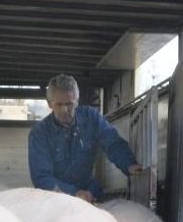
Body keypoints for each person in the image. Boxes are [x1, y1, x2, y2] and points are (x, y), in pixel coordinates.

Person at [28, 73, 141, 203]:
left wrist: (129, 165)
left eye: (69, 104)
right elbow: (41, 177)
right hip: (57, 198)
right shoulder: (39, 133)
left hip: (90, 191)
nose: (65, 110)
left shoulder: (91, 118)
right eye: (59, 105)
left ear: (77, 101)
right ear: (50, 104)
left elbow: (112, 143)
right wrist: (74, 193)